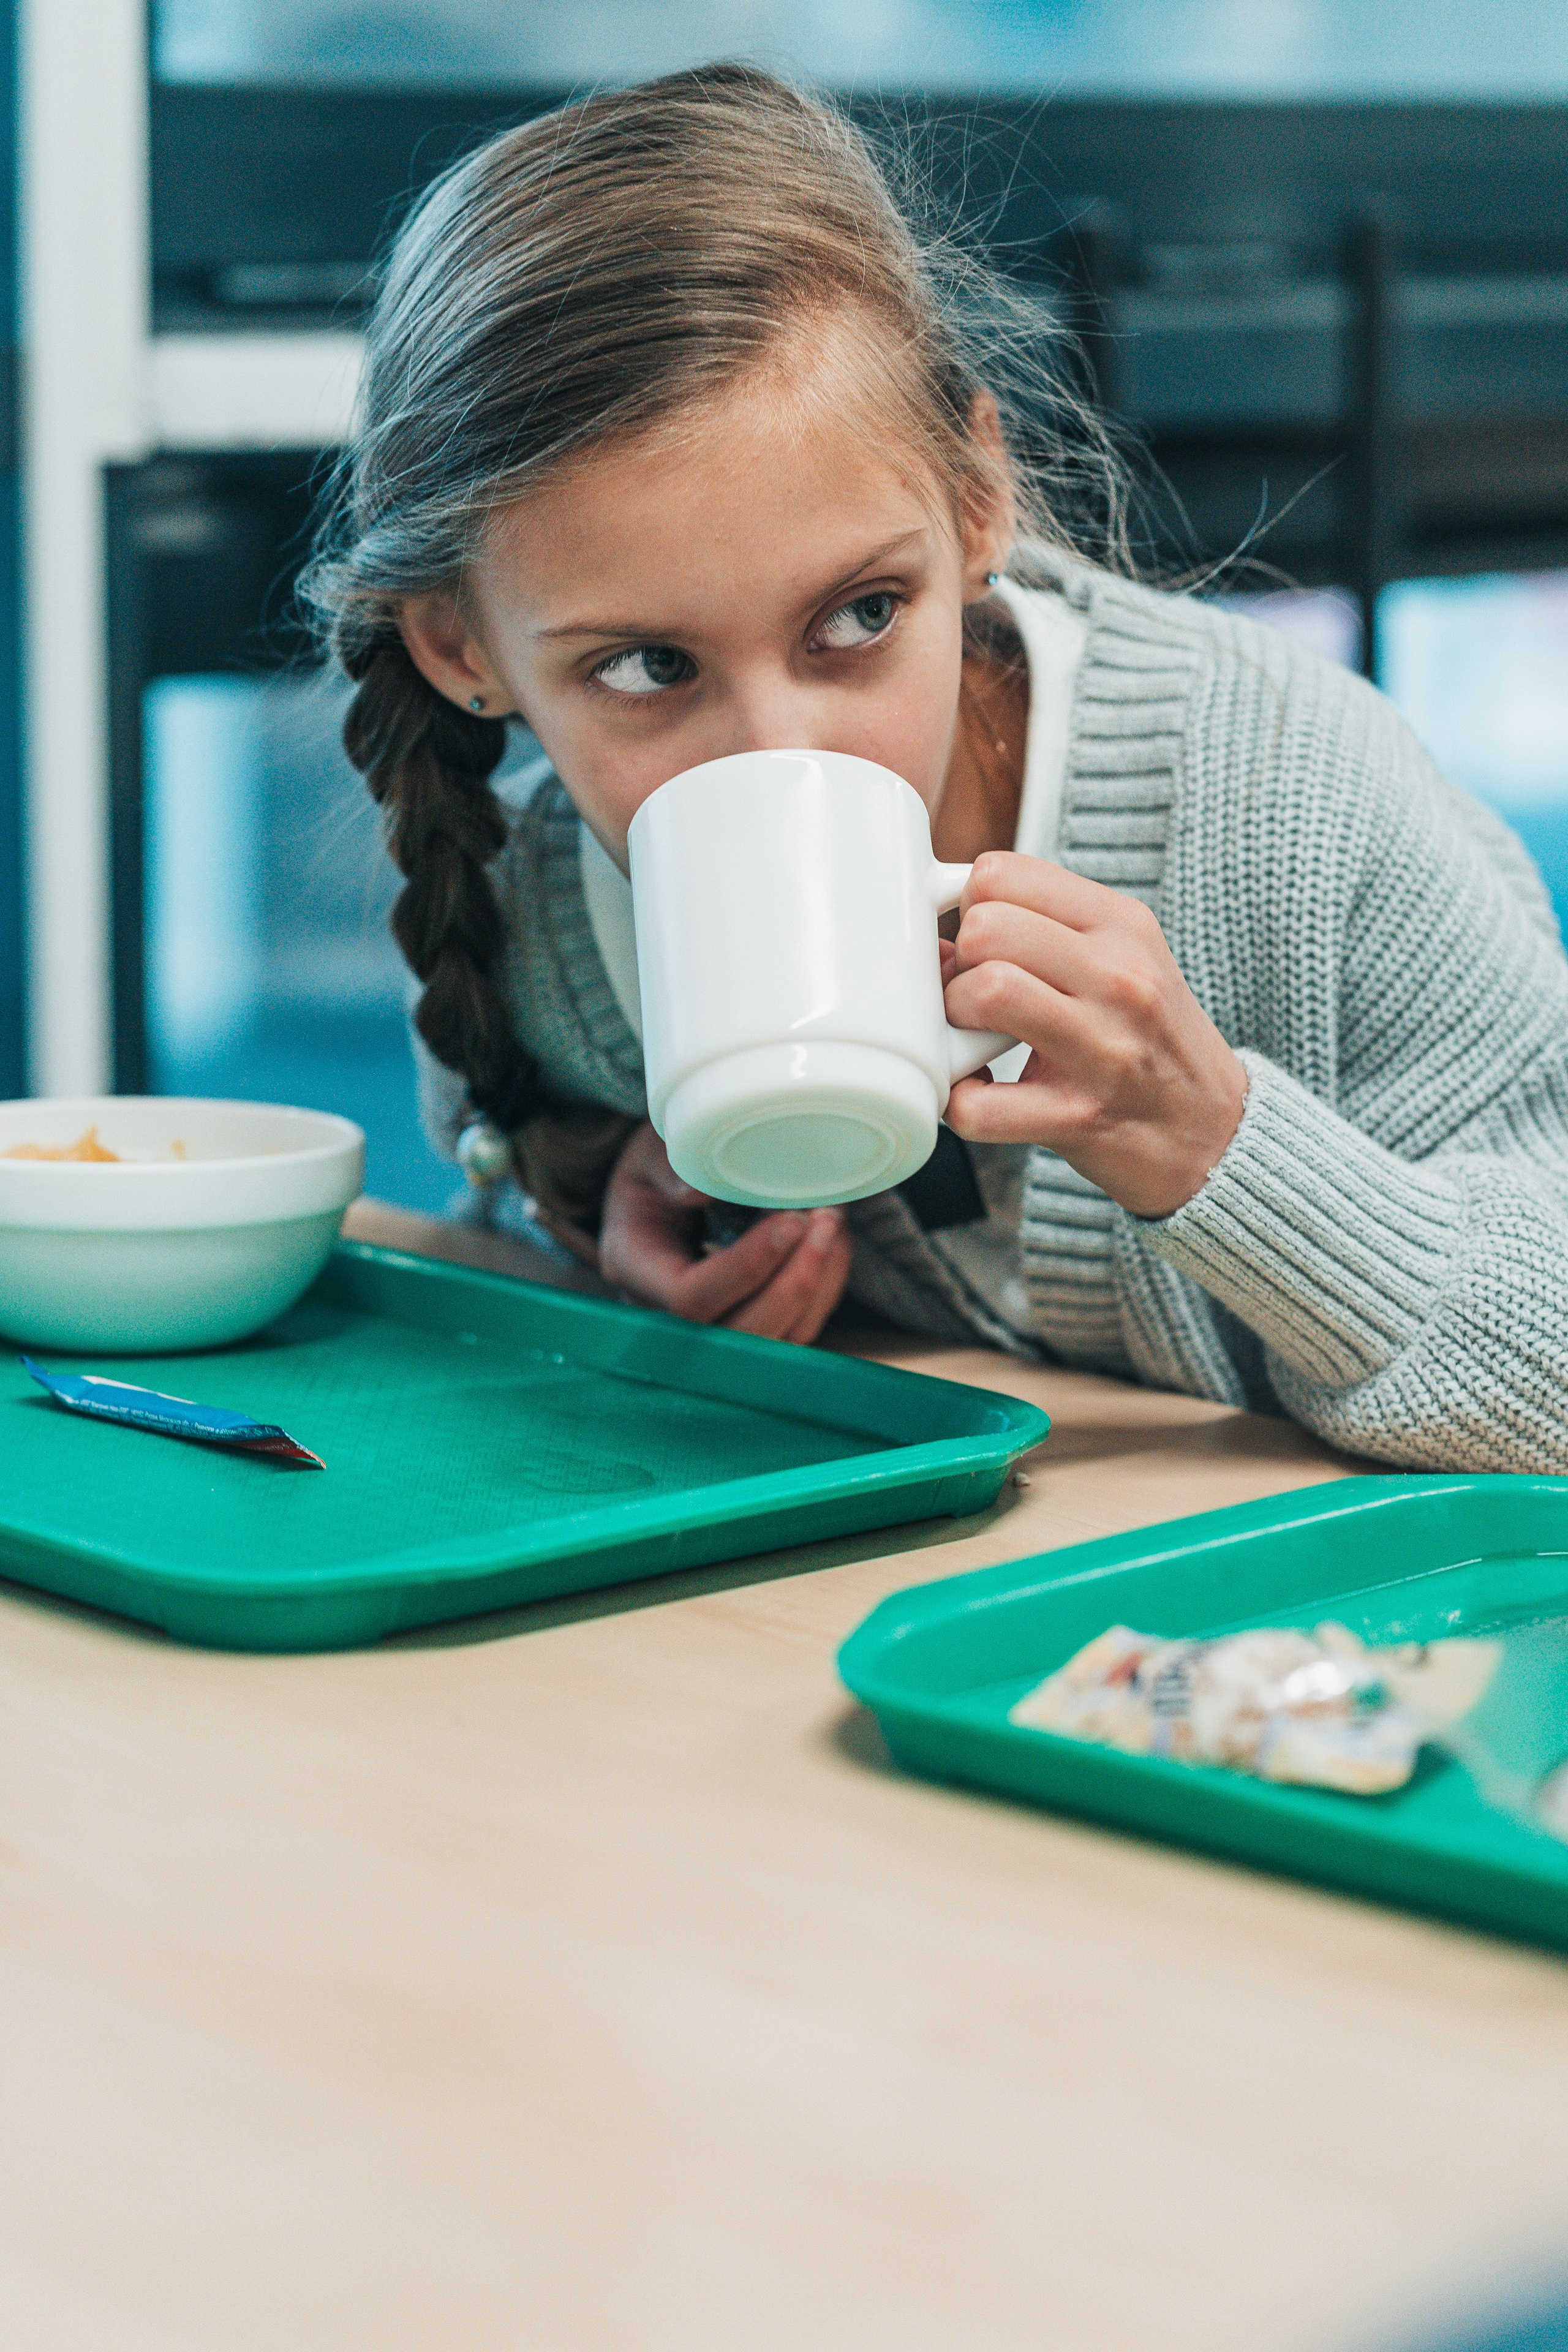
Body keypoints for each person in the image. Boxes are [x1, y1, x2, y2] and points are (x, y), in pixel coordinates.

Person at [304, 65, 1568, 1474]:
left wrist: (1214, 1142)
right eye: (648, 668)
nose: (786, 754)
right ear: (457, 644)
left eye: (857, 617)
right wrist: (624, 1271)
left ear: (975, 499)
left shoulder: (1279, 792)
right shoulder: (528, 921)